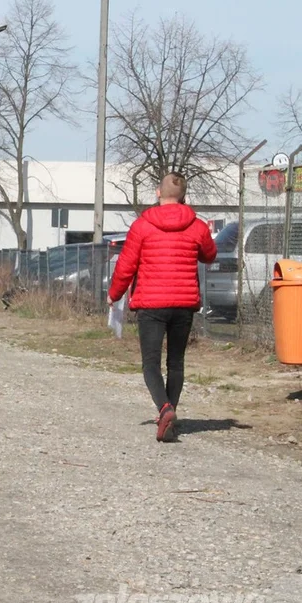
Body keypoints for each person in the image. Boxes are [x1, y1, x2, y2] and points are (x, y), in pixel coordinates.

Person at [107, 172, 217, 442]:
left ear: (158, 193)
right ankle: (171, 415)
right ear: (184, 196)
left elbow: (126, 266)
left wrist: (114, 294)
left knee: (150, 363)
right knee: (176, 362)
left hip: (151, 305)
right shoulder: (197, 226)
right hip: (184, 304)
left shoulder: (142, 226)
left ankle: (165, 409)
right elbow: (209, 255)